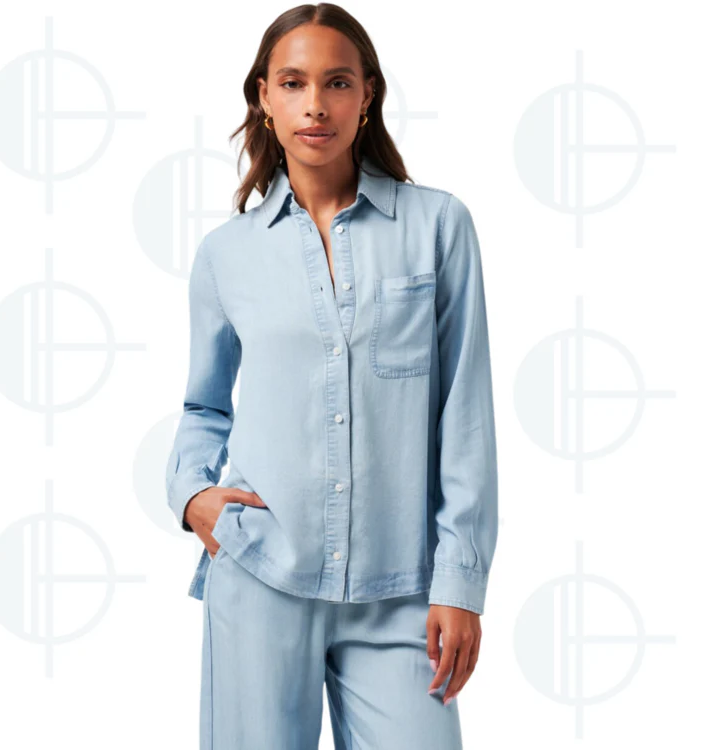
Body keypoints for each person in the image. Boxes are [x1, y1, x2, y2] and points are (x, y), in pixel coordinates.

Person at [165, 3, 499, 748]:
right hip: (260, 575)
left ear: (366, 95)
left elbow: (465, 413)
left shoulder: (438, 227)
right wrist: (191, 495)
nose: (315, 104)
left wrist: (460, 582)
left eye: (337, 82)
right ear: (264, 97)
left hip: (403, 592)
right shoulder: (226, 254)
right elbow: (203, 406)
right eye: (293, 83)